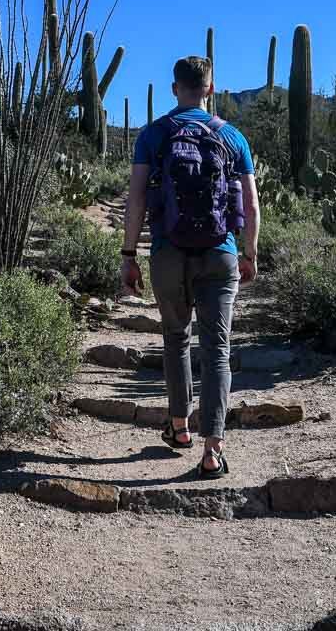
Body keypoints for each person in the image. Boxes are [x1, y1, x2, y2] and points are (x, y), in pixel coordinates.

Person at [121, 55, 260, 479]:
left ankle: (179, 428)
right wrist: (249, 254)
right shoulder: (232, 136)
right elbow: (252, 205)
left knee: (176, 339)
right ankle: (212, 451)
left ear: (174, 88)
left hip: (167, 251)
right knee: (217, 350)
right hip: (221, 251)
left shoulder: (154, 135)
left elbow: (137, 199)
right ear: (211, 89)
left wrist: (129, 256)